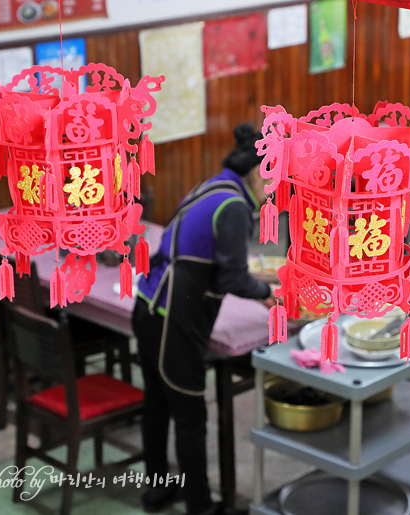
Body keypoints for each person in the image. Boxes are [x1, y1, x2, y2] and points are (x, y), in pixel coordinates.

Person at [132, 124, 275, 515]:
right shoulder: (234, 207)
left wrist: (261, 281)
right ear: (257, 172)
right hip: (173, 318)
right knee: (190, 415)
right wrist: (269, 294)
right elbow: (232, 277)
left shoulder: (213, 187)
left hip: (148, 305)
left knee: (158, 406)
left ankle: (158, 492)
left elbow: (215, 264)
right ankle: (200, 507)